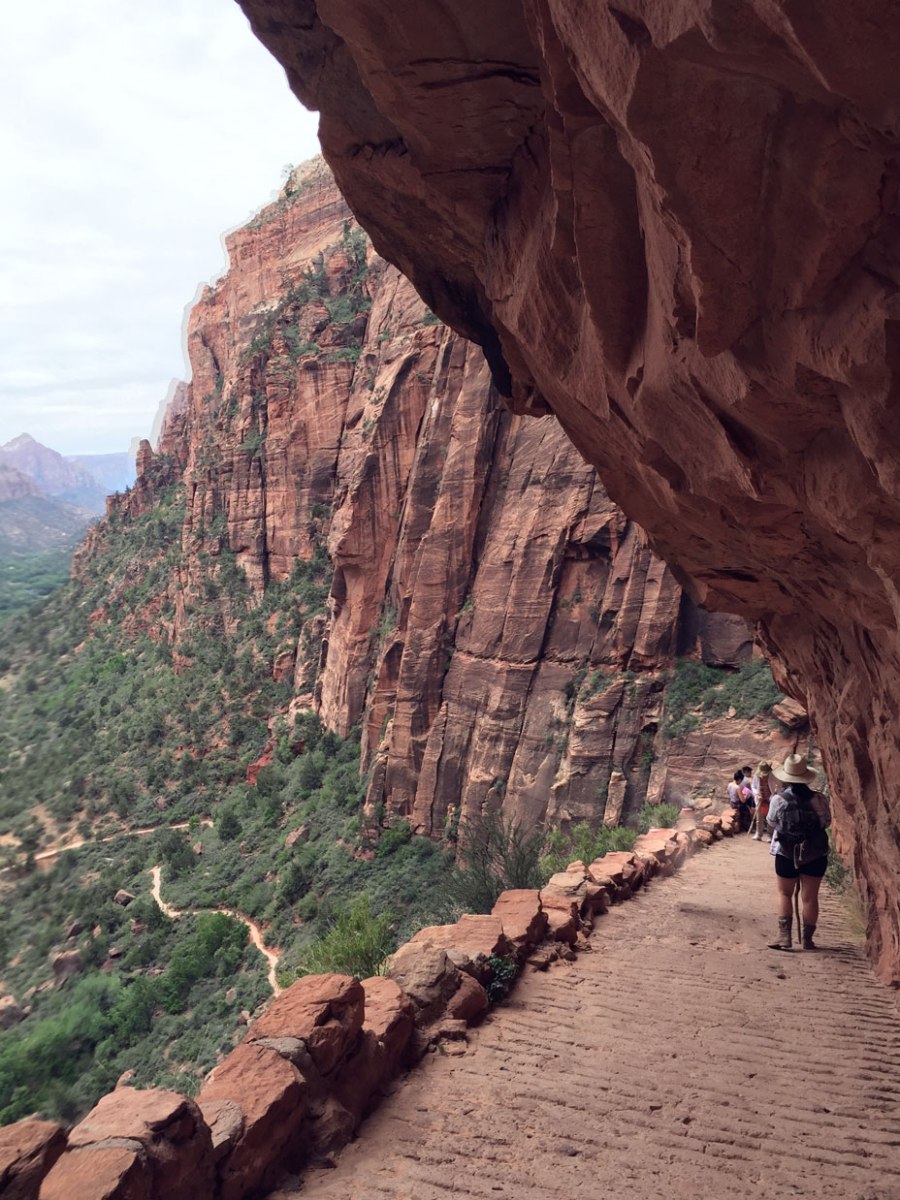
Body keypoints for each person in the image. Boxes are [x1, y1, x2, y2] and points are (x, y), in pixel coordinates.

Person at [766, 753, 831, 950]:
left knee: (784, 893)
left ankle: (784, 937)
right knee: (810, 897)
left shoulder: (778, 799)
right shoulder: (819, 798)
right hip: (815, 853)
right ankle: (808, 939)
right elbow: (826, 822)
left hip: (787, 852)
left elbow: (771, 822)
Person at [749, 760, 772, 841]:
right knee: (759, 817)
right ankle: (758, 834)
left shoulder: (772, 776)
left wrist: (772, 796)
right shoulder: (756, 776)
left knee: (770, 818)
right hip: (759, 799)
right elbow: (753, 787)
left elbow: (776, 787)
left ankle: (770, 836)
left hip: (770, 799)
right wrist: (757, 794)